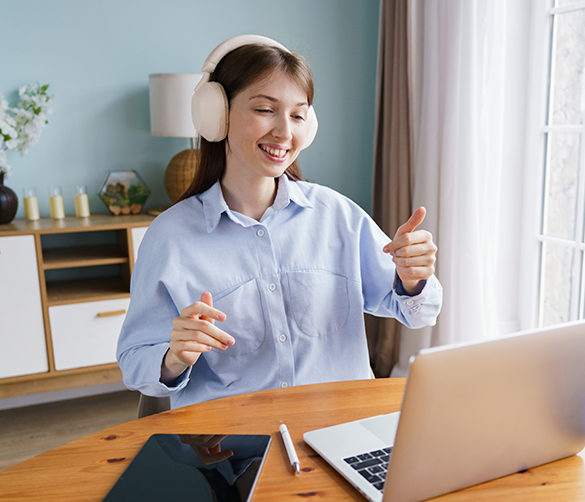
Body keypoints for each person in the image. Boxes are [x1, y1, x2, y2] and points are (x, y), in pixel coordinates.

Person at [117, 35, 442, 410]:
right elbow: (134, 360)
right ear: (216, 115)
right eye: (265, 110)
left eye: (298, 115)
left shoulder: (337, 215)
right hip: (232, 449)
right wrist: (175, 357)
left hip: (341, 430)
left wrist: (413, 279)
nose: (285, 132)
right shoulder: (171, 237)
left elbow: (420, 313)